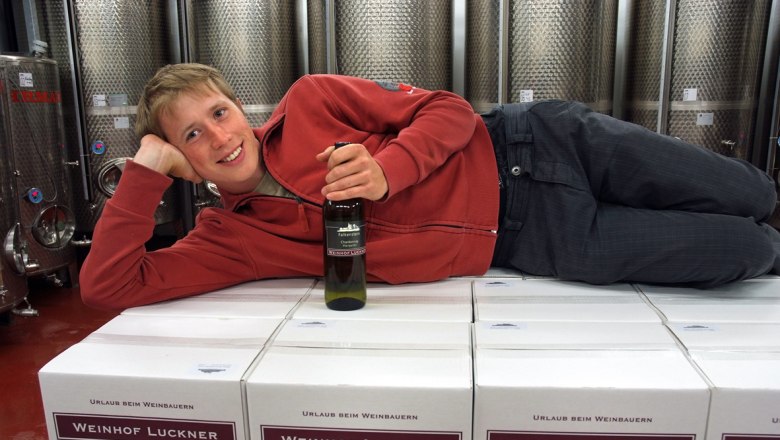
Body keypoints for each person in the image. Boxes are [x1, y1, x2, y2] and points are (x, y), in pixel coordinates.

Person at [79, 63, 780, 310]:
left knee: (754, 194)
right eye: (191, 136)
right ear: (182, 161)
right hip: (532, 238)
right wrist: (142, 174)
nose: (218, 137)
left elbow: (448, 110)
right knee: (748, 250)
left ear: (240, 107)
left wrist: (390, 170)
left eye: (218, 113)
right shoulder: (233, 238)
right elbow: (109, 286)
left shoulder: (312, 98)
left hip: (539, 141)